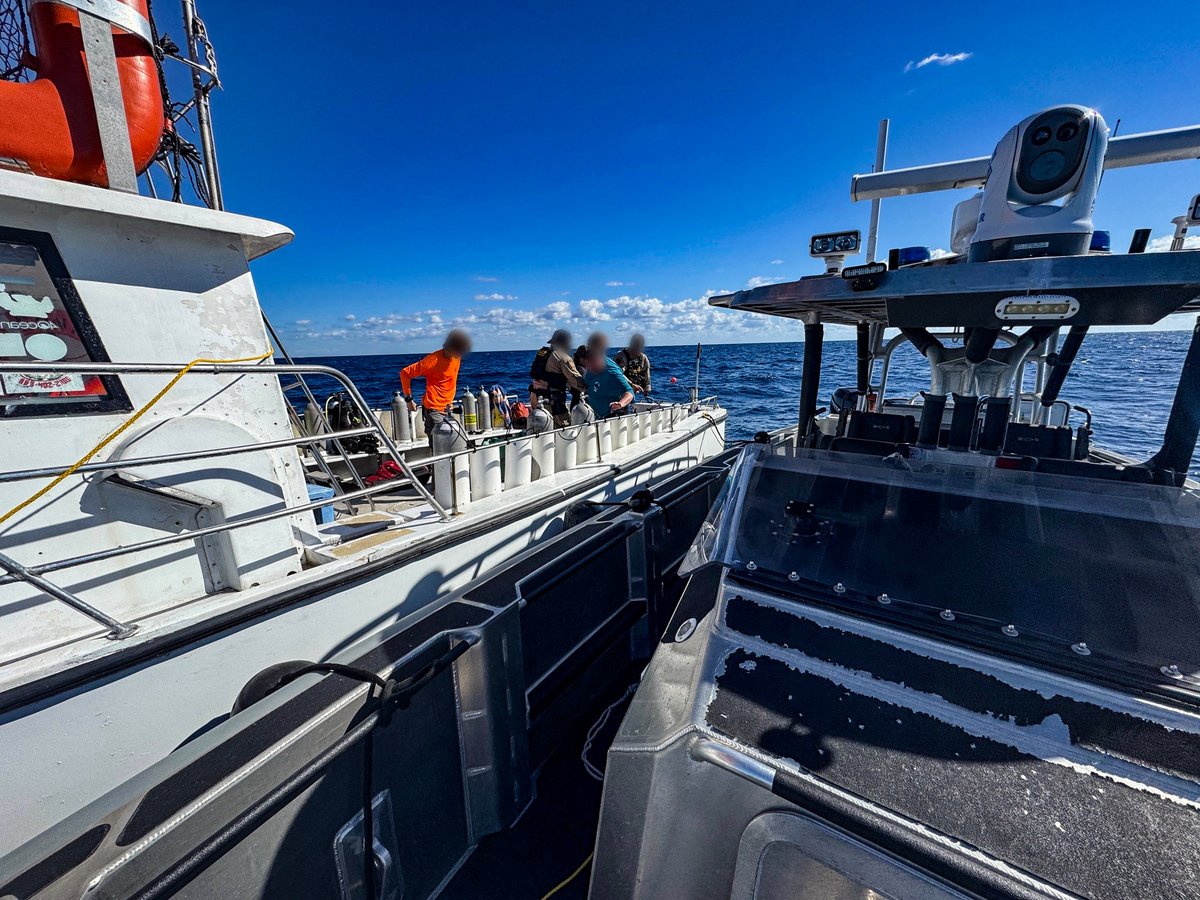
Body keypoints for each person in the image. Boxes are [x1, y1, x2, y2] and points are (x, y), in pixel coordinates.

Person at [400, 328, 472, 442]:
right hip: (434, 411)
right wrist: (409, 400)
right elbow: (405, 373)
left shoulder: (456, 357)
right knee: (440, 446)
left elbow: (449, 382)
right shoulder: (432, 361)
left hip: (447, 409)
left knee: (453, 444)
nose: (461, 354)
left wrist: (449, 402)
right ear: (452, 347)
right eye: (460, 351)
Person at [529, 329, 587, 426]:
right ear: (566, 343)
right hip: (554, 404)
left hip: (538, 400)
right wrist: (589, 386)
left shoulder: (544, 353)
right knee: (566, 431)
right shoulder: (562, 357)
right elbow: (576, 381)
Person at [581, 346, 634, 418]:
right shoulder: (590, 367)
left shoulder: (612, 373)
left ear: (600, 359)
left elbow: (630, 392)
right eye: (588, 366)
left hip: (612, 415)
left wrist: (620, 404)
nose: (590, 368)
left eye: (593, 366)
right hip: (595, 414)